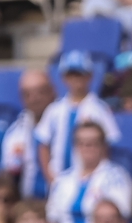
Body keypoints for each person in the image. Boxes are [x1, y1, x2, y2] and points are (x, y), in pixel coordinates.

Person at [36, 51, 120, 185]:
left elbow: (107, 145)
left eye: (80, 74)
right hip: (57, 178)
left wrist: (96, 175)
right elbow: (43, 145)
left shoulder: (100, 109)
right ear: (64, 77)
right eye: (71, 74)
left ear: (89, 76)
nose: (76, 79)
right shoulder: (54, 109)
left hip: (89, 180)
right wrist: (50, 177)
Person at [46, 122, 132, 223]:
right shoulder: (62, 180)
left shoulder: (118, 177)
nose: (87, 147)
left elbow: (120, 220)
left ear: (103, 146)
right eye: (81, 143)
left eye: (93, 143)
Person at [1, 69, 55, 200]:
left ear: (53, 91)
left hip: (60, 199)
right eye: (27, 94)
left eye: (40, 92)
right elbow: (9, 171)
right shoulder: (16, 132)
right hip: (27, 202)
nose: (34, 99)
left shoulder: (65, 122)